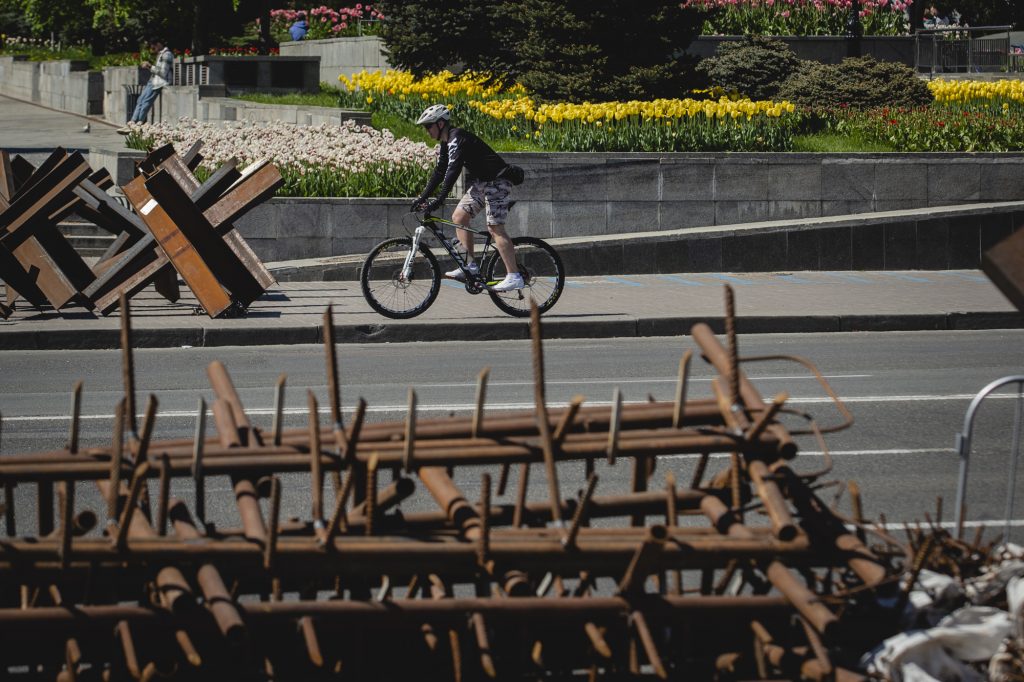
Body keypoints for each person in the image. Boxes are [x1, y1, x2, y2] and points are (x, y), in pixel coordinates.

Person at [412, 104, 524, 292]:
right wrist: (422, 197)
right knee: (459, 217)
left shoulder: (457, 138)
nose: (427, 131)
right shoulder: (447, 143)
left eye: (428, 126)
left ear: (440, 124)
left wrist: (439, 199)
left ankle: (514, 276)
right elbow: (440, 171)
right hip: (483, 182)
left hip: (498, 181)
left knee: (495, 227)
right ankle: (470, 265)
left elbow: (453, 170)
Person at [118, 38, 173, 131]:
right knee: (140, 100)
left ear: (159, 44)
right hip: (154, 81)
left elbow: (163, 73)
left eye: (154, 47)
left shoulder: (167, 55)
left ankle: (136, 124)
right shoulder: (161, 54)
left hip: (159, 82)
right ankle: (132, 123)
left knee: (145, 102)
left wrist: (149, 66)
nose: (153, 49)